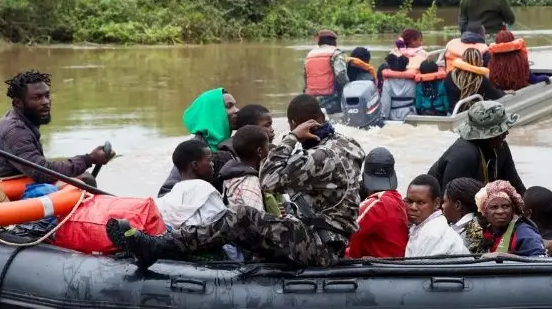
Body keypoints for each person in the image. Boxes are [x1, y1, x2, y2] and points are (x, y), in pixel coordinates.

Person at [107, 95, 365, 269]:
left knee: (241, 216)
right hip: (327, 238)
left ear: (300, 124)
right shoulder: (348, 145)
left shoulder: (321, 155)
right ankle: (168, 245)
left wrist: (292, 138)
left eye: (291, 126)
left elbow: (270, 179)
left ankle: (158, 247)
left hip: (321, 247)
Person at [0, 70, 111, 189]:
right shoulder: (15, 131)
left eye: (47, 95)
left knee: (83, 177)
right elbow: (42, 172)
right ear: (18, 103)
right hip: (6, 192)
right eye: (37, 98)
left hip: (19, 180)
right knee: (85, 179)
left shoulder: (21, 119)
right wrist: (89, 159)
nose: (46, 102)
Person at [158, 97, 270, 196]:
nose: (237, 111)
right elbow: (166, 192)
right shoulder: (194, 148)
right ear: (213, 113)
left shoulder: (233, 143)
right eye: (229, 106)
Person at [427, 100, 525, 194]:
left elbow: (516, 187)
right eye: (501, 131)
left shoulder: (501, 147)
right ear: (488, 135)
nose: (506, 133)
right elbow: (452, 203)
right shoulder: (464, 156)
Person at [345, 148, 410, 259]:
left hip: (379, 268)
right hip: (393, 264)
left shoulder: (376, 204)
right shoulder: (397, 199)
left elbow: (344, 232)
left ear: (364, 176)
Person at [155, 139, 223, 228]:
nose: (212, 164)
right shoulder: (206, 191)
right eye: (209, 160)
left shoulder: (166, 199)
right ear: (195, 165)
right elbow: (222, 225)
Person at [217, 125, 281, 216]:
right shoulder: (250, 180)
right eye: (267, 146)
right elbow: (257, 219)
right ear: (260, 151)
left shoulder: (230, 175)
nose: (269, 150)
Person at [404, 174, 469, 257]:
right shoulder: (422, 226)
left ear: (436, 203)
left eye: (420, 202)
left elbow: (418, 269)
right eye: (409, 201)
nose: (413, 207)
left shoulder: (433, 233)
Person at [477, 181, 546, 257]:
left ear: (513, 210)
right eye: (494, 207)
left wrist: (508, 257)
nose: (500, 211)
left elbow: (541, 261)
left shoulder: (525, 233)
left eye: (505, 206)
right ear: (485, 212)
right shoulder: (484, 232)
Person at [445, 47, 505, 112]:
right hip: (475, 113)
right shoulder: (480, 79)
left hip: (453, 111)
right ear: (479, 61)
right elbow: (494, 95)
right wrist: (504, 93)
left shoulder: (450, 75)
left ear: (463, 60)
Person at [304, 29, 349, 114]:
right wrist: (349, 88)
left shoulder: (310, 54)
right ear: (334, 41)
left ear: (319, 42)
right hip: (331, 98)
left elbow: (305, 76)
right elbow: (341, 75)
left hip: (310, 99)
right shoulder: (336, 53)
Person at [442, 177, 485, 253]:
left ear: (457, 205)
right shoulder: (454, 226)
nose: (442, 206)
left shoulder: (475, 232)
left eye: (444, 202)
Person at [378, 54, 418, 122]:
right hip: (411, 114)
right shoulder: (413, 81)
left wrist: (383, 117)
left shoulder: (387, 83)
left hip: (393, 116)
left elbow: (386, 104)